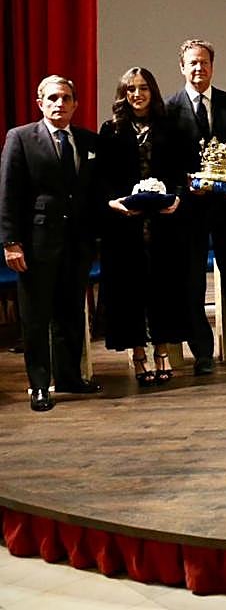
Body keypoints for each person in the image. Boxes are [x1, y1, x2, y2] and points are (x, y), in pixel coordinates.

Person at [0, 75, 103, 411]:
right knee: (36, 317)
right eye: (53, 98)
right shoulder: (21, 138)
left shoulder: (88, 141)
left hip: (77, 245)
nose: (60, 103)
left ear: (76, 103)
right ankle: (39, 386)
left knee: (70, 313)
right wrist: (11, 242)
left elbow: (92, 193)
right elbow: (8, 194)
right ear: (40, 102)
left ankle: (70, 377)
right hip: (36, 245)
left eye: (67, 98)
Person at [166, 38, 226, 373]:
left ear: (212, 66)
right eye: (192, 62)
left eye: (204, 62)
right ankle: (203, 353)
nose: (198, 68)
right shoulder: (168, 108)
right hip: (189, 211)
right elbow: (166, 161)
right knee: (192, 281)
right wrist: (185, 183)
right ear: (182, 67)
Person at [96, 67, 189, 386]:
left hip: (163, 224)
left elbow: (183, 172)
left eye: (144, 88)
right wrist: (112, 202)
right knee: (131, 292)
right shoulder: (110, 130)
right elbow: (102, 179)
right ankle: (138, 356)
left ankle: (163, 352)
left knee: (162, 289)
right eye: (131, 89)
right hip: (125, 226)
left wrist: (177, 197)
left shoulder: (171, 127)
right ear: (123, 94)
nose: (137, 94)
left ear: (153, 91)